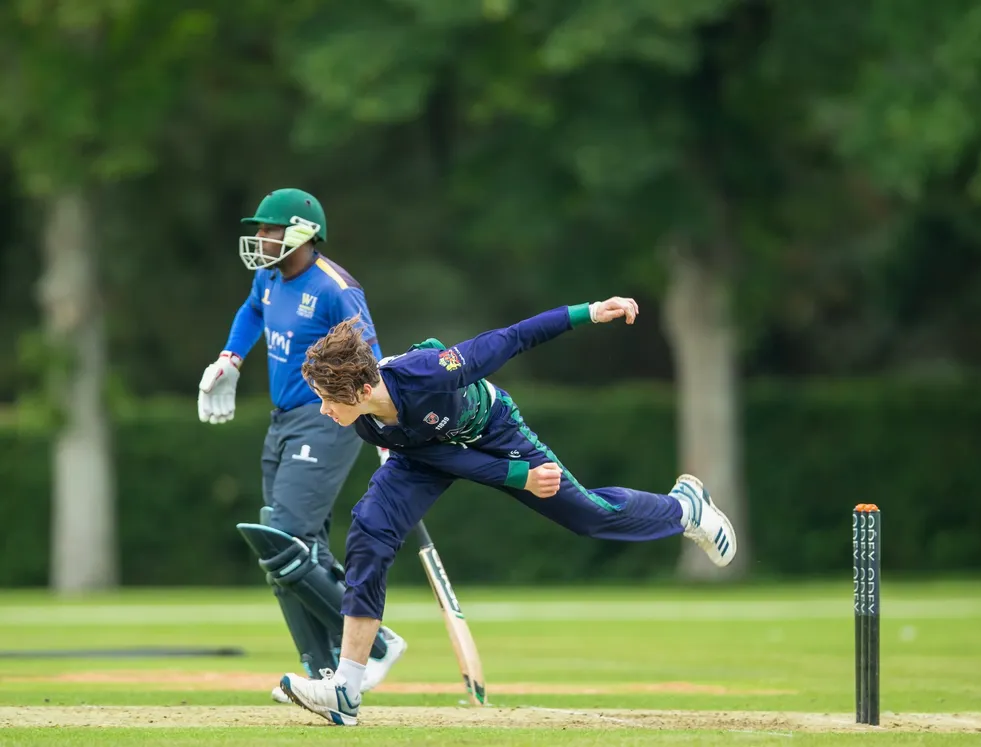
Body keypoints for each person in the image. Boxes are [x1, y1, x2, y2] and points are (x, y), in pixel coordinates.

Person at [278, 296, 737, 725]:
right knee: (370, 531)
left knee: (589, 515)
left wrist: (590, 312)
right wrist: (515, 479)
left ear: (358, 390)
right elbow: (445, 460)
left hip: (496, 433)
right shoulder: (368, 424)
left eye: (327, 397)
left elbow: (512, 337)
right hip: (424, 452)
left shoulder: (429, 372)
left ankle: (685, 509)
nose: (322, 409)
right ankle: (346, 689)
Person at [196, 187, 407, 705]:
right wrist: (232, 358)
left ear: (301, 233)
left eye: (269, 229)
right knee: (294, 548)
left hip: (328, 419)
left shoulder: (336, 288)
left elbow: (370, 361)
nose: (261, 238)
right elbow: (251, 312)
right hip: (282, 420)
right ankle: (324, 670)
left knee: (281, 534)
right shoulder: (266, 277)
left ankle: (375, 643)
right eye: (260, 230)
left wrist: (386, 427)